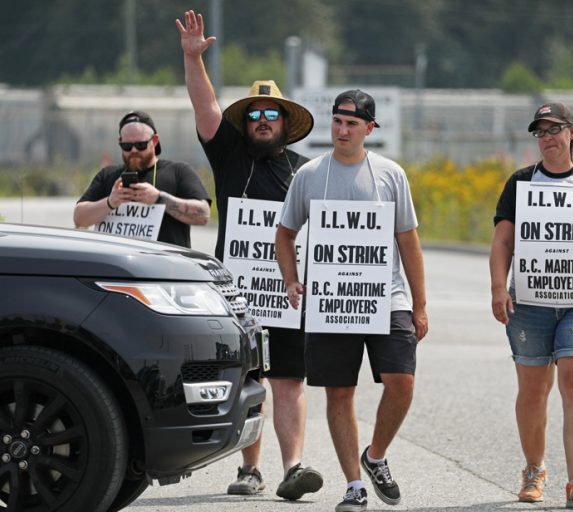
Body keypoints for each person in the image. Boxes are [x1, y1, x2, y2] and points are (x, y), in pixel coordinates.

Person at [176, 9, 323, 501]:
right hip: (237, 291)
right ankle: (249, 470)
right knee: (250, 378)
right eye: (255, 115)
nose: (262, 121)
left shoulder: (307, 170)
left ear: (285, 122)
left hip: (287, 290)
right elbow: (206, 108)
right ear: (248, 123)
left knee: (289, 380)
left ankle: (294, 467)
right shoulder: (230, 156)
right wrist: (192, 59)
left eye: (271, 114)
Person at [275, 90, 429, 512]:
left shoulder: (390, 174)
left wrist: (419, 304)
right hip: (331, 300)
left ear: (369, 129)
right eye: (337, 121)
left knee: (402, 382)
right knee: (339, 393)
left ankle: (375, 455)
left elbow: (408, 241)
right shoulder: (310, 174)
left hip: (387, 295)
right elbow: (285, 234)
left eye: (352, 123)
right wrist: (290, 279)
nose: (342, 130)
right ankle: (354, 485)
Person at [489, 103, 573, 509]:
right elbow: (502, 242)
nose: (548, 137)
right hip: (529, 303)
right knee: (533, 391)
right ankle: (534, 471)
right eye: (540, 131)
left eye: (555, 129)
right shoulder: (520, 184)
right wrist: (499, 287)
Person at [74, 111, 211, 248]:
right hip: (116, 266)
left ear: (155, 141)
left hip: (165, 266)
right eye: (127, 146)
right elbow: (79, 219)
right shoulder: (108, 175)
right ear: (120, 142)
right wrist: (110, 202)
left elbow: (203, 214)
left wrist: (159, 199)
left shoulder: (178, 171)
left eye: (140, 145)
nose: (134, 150)